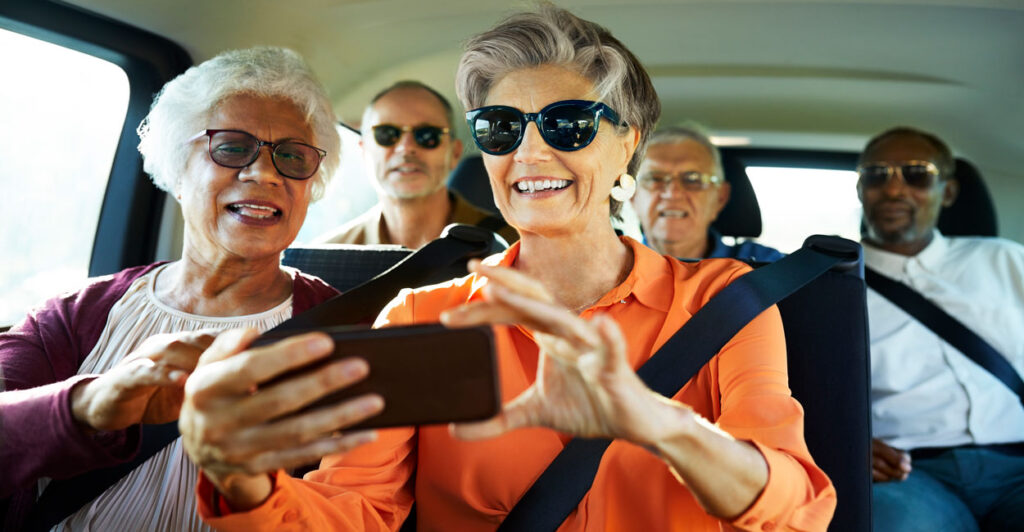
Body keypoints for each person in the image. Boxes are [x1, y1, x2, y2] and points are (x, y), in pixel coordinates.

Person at [182, 6, 836, 530]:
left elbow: (798, 512)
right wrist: (243, 484)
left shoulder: (724, 303)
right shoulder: (422, 316)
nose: (529, 149)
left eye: (569, 124)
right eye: (500, 127)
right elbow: (355, 513)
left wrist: (656, 420)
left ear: (627, 146)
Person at [0, 47, 342, 531]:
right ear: (177, 172)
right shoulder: (72, 317)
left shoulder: (352, 327)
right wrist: (87, 407)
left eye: (291, 155)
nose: (265, 173)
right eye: (231, 147)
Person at [860, 127, 1024, 531]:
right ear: (861, 190)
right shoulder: (829, 285)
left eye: (917, 174)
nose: (894, 190)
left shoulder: (1006, 261)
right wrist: (841, 443)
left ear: (948, 192)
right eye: (878, 175)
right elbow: (798, 393)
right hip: (908, 475)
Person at [315, 80, 518, 248]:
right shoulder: (327, 257)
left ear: (454, 153)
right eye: (386, 134)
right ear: (363, 151)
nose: (406, 147)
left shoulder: (511, 247)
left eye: (427, 135)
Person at [631, 124, 784, 261]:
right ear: (632, 196)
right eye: (655, 178)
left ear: (720, 198)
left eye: (693, 179)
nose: (672, 193)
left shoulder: (768, 268)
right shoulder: (613, 270)